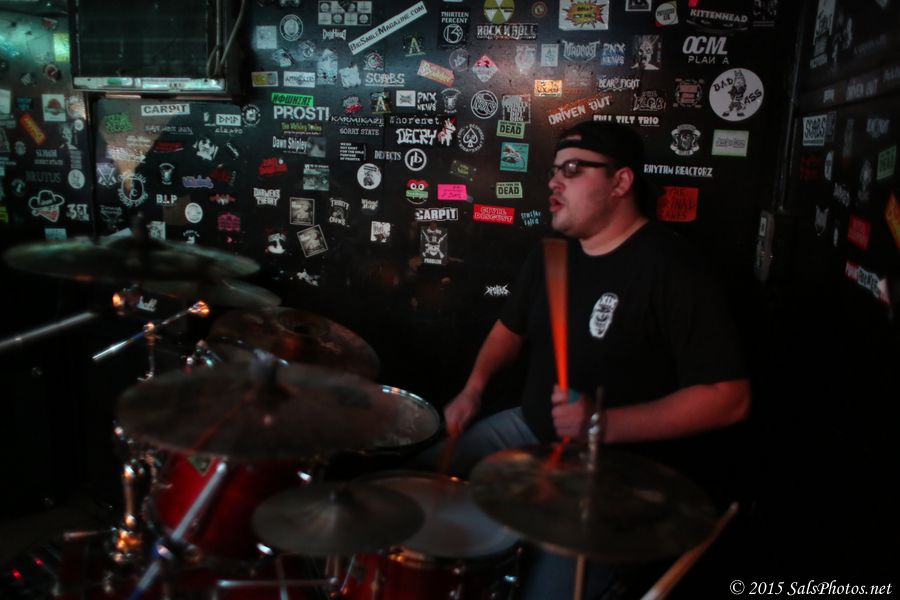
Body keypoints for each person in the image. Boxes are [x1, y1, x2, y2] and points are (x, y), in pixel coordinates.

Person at [436, 120, 751, 599]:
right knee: (418, 486)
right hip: (528, 430)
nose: (553, 182)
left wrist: (602, 424)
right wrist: (473, 389)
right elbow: (508, 331)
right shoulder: (553, 253)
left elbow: (729, 399)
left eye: (573, 170)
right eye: (554, 171)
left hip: (610, 470)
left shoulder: (672, 268)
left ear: (620, 182)